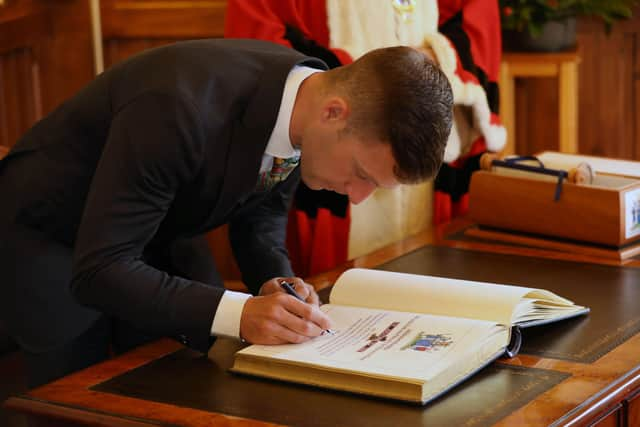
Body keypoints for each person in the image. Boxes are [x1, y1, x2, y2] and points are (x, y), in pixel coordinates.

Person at [0, 39, 453, 387]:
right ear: (335, 113)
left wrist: (276, 284)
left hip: (155, 231)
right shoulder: (179, 108)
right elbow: (99, 269)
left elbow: (260, 218)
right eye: (361, 174)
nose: (356, 197)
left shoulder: (304, 103)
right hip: (46, 236)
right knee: (79, 398)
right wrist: (240, 313)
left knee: (202, 373)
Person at [225, 0, 506, 261]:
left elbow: (477, 22)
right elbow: (261, 48)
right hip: (335, 130)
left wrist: (429, 64)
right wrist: (366, 83)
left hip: (427, 128)